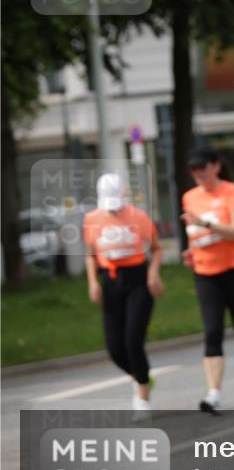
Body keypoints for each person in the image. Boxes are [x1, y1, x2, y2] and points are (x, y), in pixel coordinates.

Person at [181, 147, 234, 411]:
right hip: (206, 273)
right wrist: (190, 250)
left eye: (202, 167)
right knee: (212, 332)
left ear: (216, 166)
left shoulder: (231, 191)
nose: (198, 173)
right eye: (194, 169)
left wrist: (208, 224)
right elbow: (192, 232)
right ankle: (213, 393)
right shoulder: (189, 197)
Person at [83, 173, 164, 415]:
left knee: (132, 341)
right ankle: (142, 376)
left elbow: (157, 249)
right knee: (114, 348)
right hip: (110, 281)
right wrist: (93, 282)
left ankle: (142, 399)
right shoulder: (92, 219)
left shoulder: (139, 217)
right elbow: (90, 254)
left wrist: (153, 273)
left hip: (138, 280)